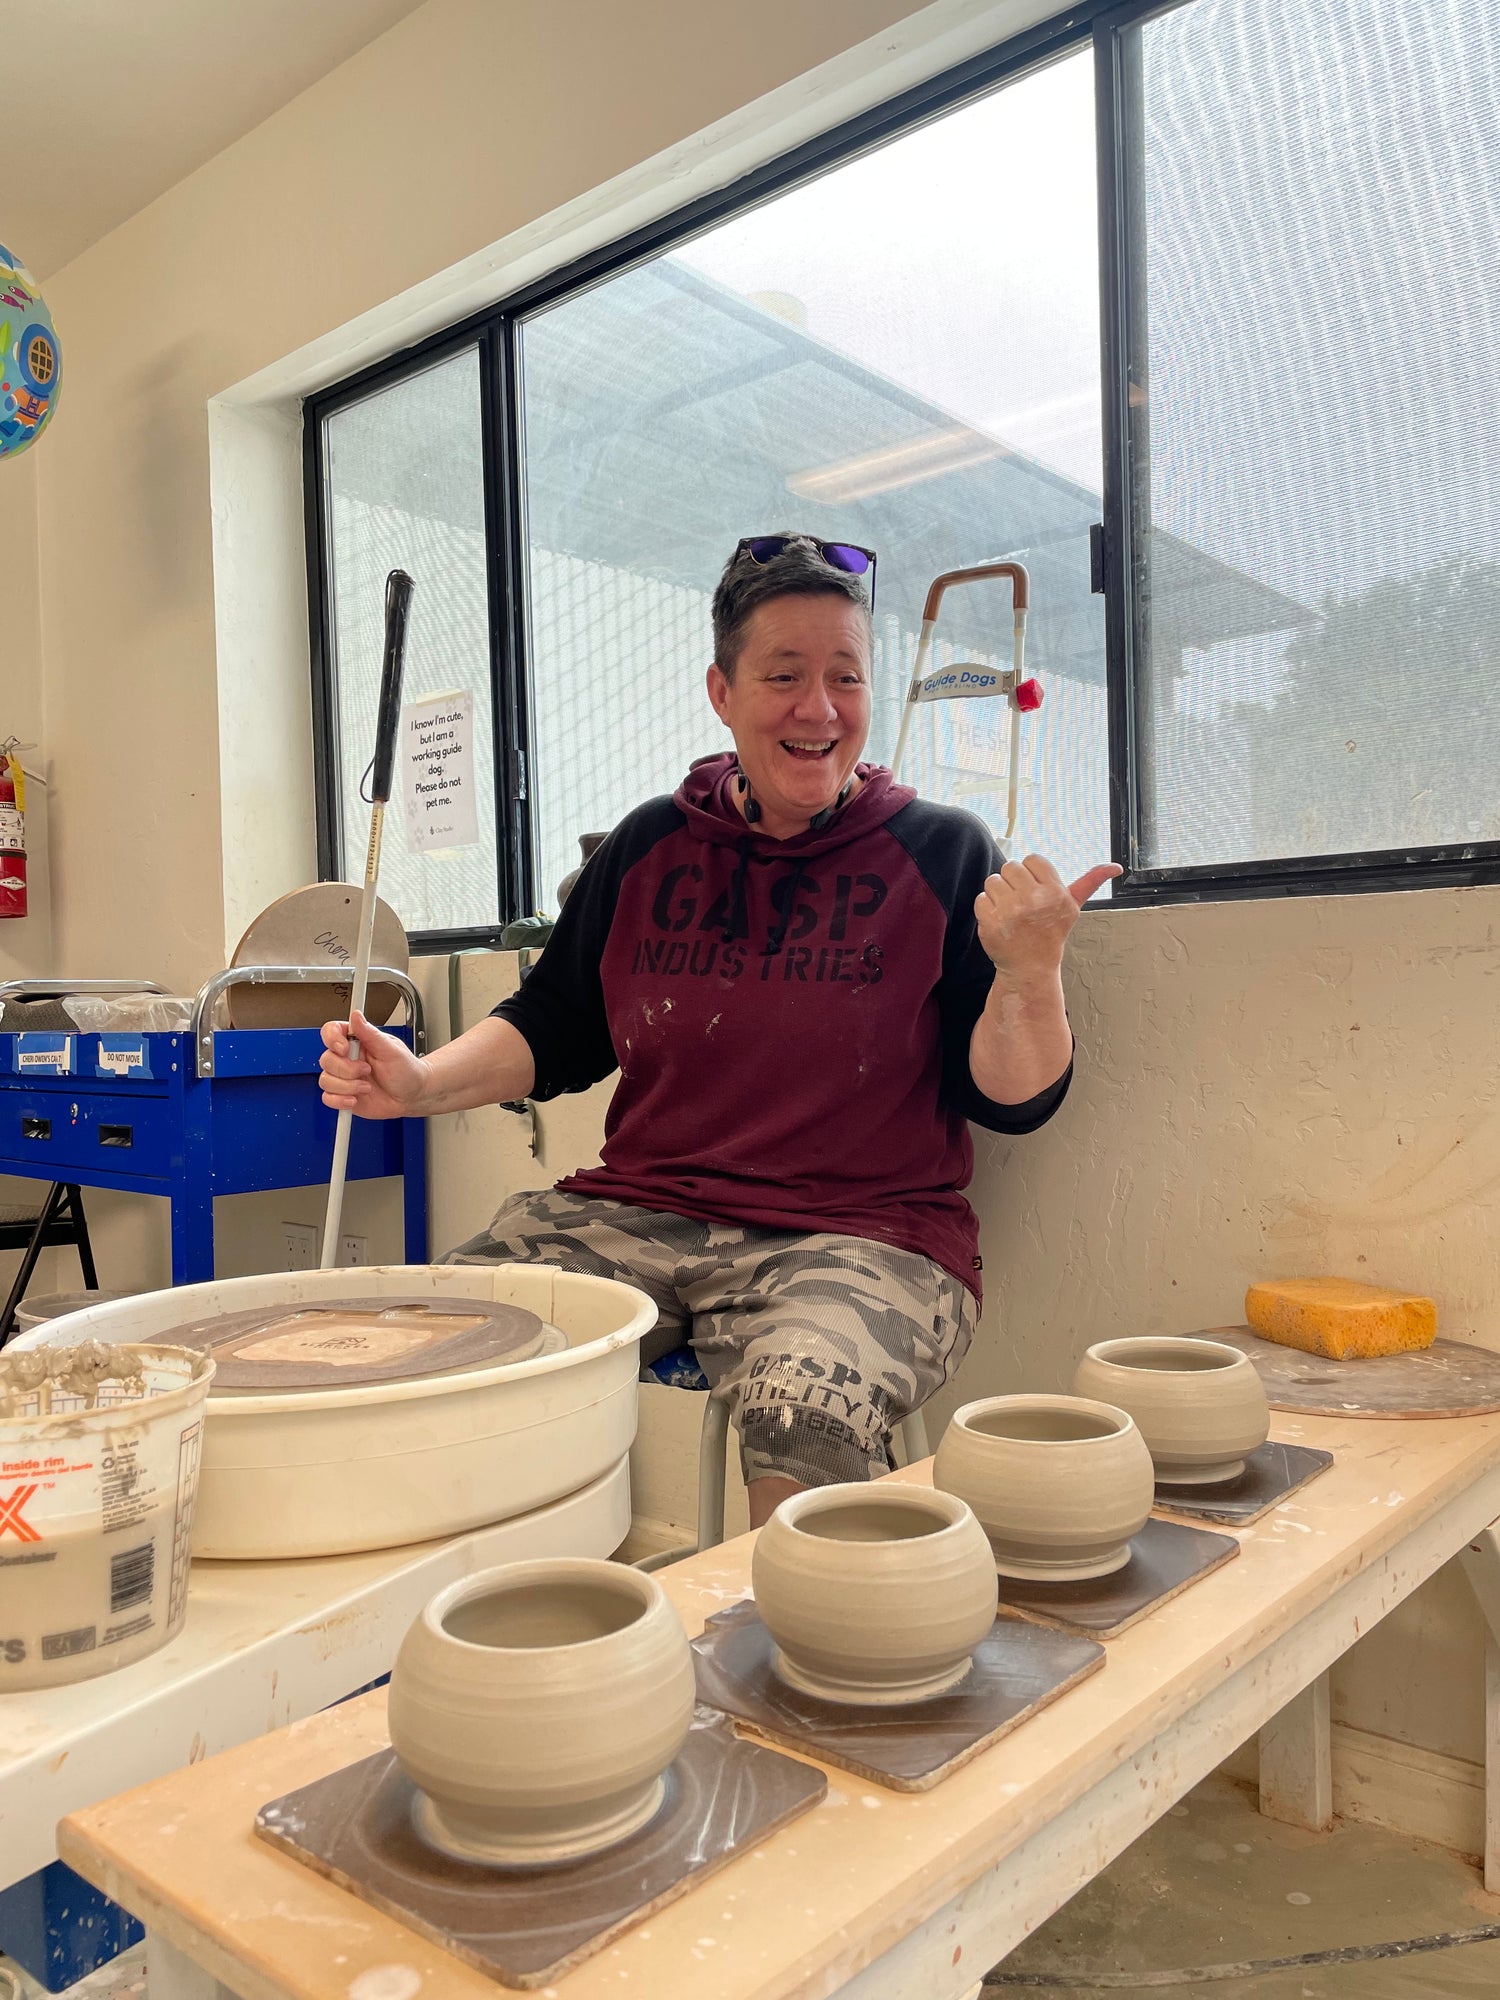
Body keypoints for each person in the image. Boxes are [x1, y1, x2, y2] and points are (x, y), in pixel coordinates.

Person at [320, 533, 1119, 1526]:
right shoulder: (650, 845)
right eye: (784, 675)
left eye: (845, 677)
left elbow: (1013, 1098)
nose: (819, 708)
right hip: (636, 1216)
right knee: (443, 1347)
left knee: (800, 1411)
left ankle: (800, 1651)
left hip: (863, 1235)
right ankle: (502, 1625)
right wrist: (420, 1081)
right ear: (722, 690)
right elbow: (557, 1023)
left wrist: (1031, 974)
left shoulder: (941, 850)